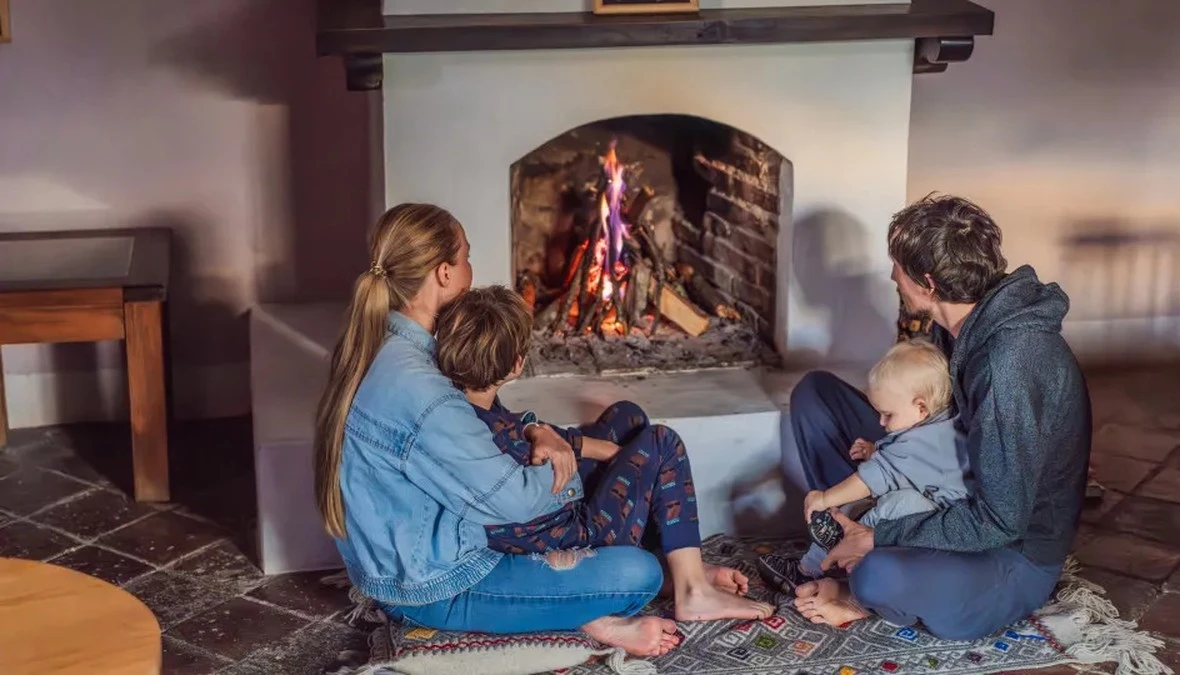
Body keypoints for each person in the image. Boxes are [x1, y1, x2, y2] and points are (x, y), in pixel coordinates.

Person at [313, 204, 679, 657]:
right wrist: (569, 457)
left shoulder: (395, 346)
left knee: (625, 433)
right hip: (440, 585)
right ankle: (592, 611)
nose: (471, 269)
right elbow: (515, 502)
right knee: (640, 574)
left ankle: (672, 573)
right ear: (443, 273)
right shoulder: (422, 390)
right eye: (466, 257)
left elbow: (484, 427)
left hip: (423, 555)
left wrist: (538, 431)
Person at [787, 194, 1091, 641]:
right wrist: (881, 453)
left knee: (878, 576)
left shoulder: (1011, 365)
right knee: (817, 397)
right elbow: (927, 426)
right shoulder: (956, 326)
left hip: (1010, 551)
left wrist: (881, 537)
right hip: (947, 482)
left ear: (928, 283)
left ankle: (860, 565)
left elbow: (999, 520)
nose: (892, 275)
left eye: (898, 267)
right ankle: (851, 531)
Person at [433, 285, 775, 622]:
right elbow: (543, 466)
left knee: (627, 417)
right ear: (516, 366)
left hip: (548, 512)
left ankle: (674, 564)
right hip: (572, 535)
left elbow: (527, 435)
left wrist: (602, 449)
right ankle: (693, 591)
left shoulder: (464, 409)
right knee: (661, 442)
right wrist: (630, 460)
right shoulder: (504, 442)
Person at [758, 338, 968, 582]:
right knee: (853, 503)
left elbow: (871, 479)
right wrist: (875, 450)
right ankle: (811, 564)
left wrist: (825, 498)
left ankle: (829, 557)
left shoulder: (925, 443)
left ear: (921, 407)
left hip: (940, 525)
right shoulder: (940, 422)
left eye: (887, 415)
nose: (880, 422)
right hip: (929, 506)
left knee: (883, 502)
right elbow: (910, 464)